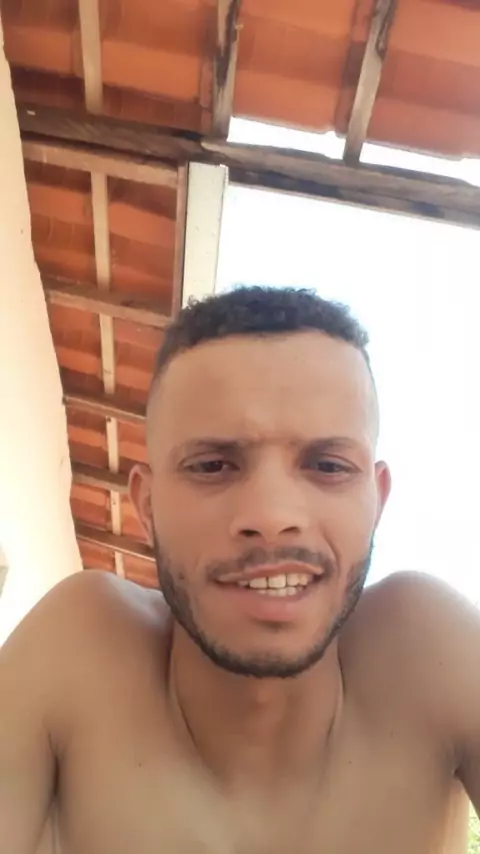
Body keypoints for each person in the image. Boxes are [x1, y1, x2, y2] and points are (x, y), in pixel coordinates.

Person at [1, 286, 479, 854]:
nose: (272, 517)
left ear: (376, 501)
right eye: (212, 465)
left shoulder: (428, 651)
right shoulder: (80, 650)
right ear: (147, 507)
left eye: (328, 466)